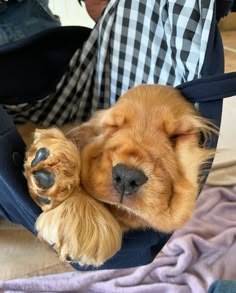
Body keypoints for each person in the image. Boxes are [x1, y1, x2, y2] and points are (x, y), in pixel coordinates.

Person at [0, 0, 236, 271]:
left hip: (25, 15)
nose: (128, 170)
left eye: (173, 138)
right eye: (115, 128)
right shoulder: (81, 136)